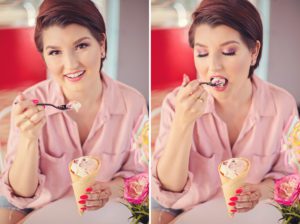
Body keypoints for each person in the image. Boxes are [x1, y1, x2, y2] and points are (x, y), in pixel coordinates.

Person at [0, 0, 148, 223]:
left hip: (105, 212)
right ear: (44, 57)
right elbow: (21, 195)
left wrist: (109, 189)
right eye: (55, 52)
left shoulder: (133, 103)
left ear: (102, 45)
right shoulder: (30, 104)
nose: (70, 64)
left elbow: (141, 178)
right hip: (38, 209)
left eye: (81, 46)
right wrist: (28, 139)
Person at [151, 0, 298, 223]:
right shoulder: (176, 104)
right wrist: (183, 122)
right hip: (185, 210)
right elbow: (168, 192)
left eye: (228, 52)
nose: (214, 67)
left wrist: (260, 192)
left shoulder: (282, 105)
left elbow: (290, 177)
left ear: (253, 52)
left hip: (255, 212)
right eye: (202, 53)